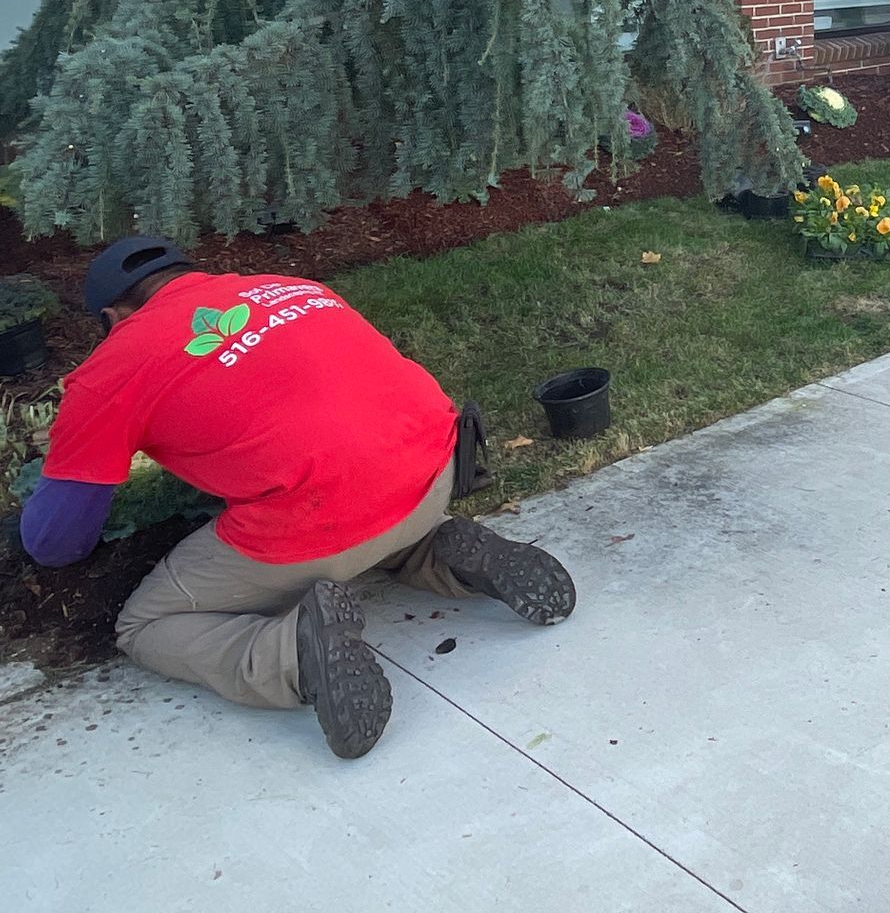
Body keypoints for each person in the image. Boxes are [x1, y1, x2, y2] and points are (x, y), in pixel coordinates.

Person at [18, 236, 576, 759]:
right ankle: (439, 553)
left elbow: (57, 543)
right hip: (438, 471)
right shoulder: (296, 288)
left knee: (145, 626)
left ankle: (294, 656)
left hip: (325, 522)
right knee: (367, 512)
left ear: (111, 319)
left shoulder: (113, 367)